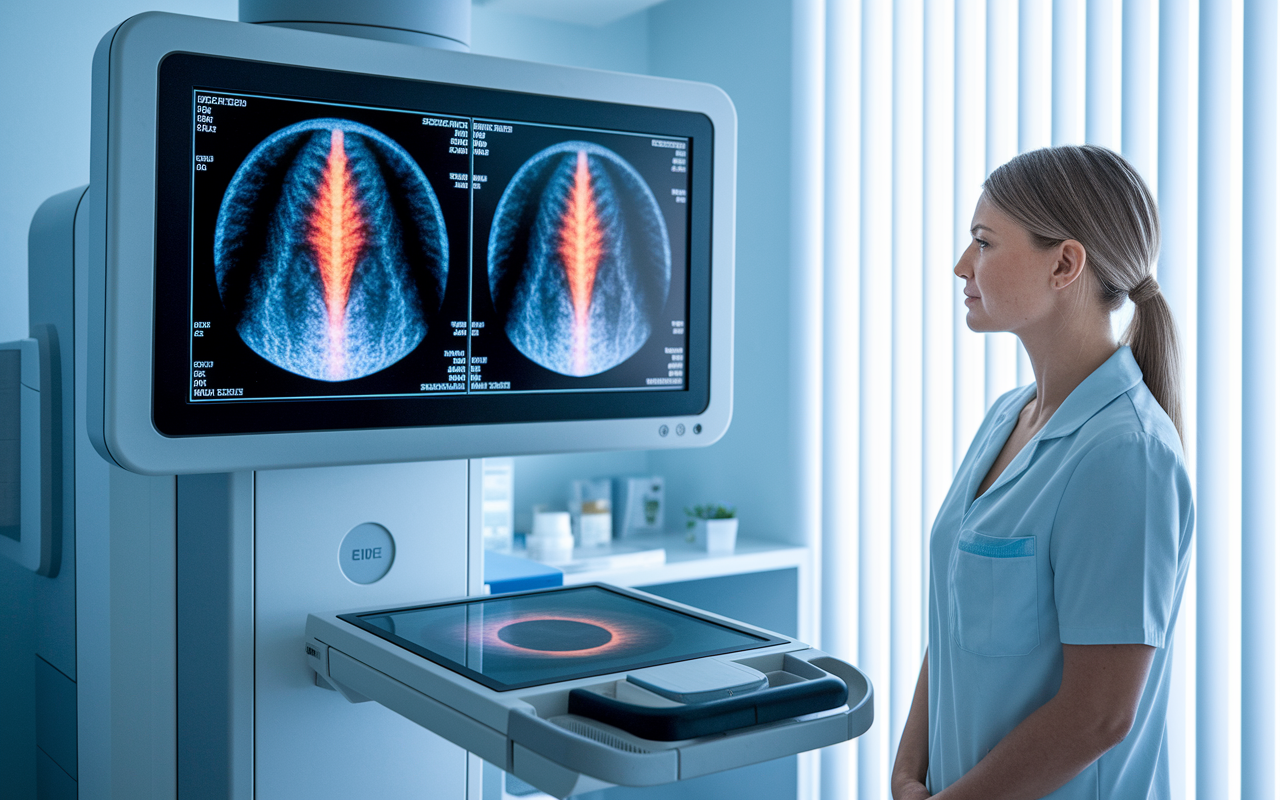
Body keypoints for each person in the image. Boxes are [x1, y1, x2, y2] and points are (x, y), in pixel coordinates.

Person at [891, 145, 1194, 800]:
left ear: (1065, 264)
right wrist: (907, 771)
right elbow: (956, 620)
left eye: (984, 243)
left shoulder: (1124, 455)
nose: (960, 266)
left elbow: (1098, 718)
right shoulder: (1010, 417)